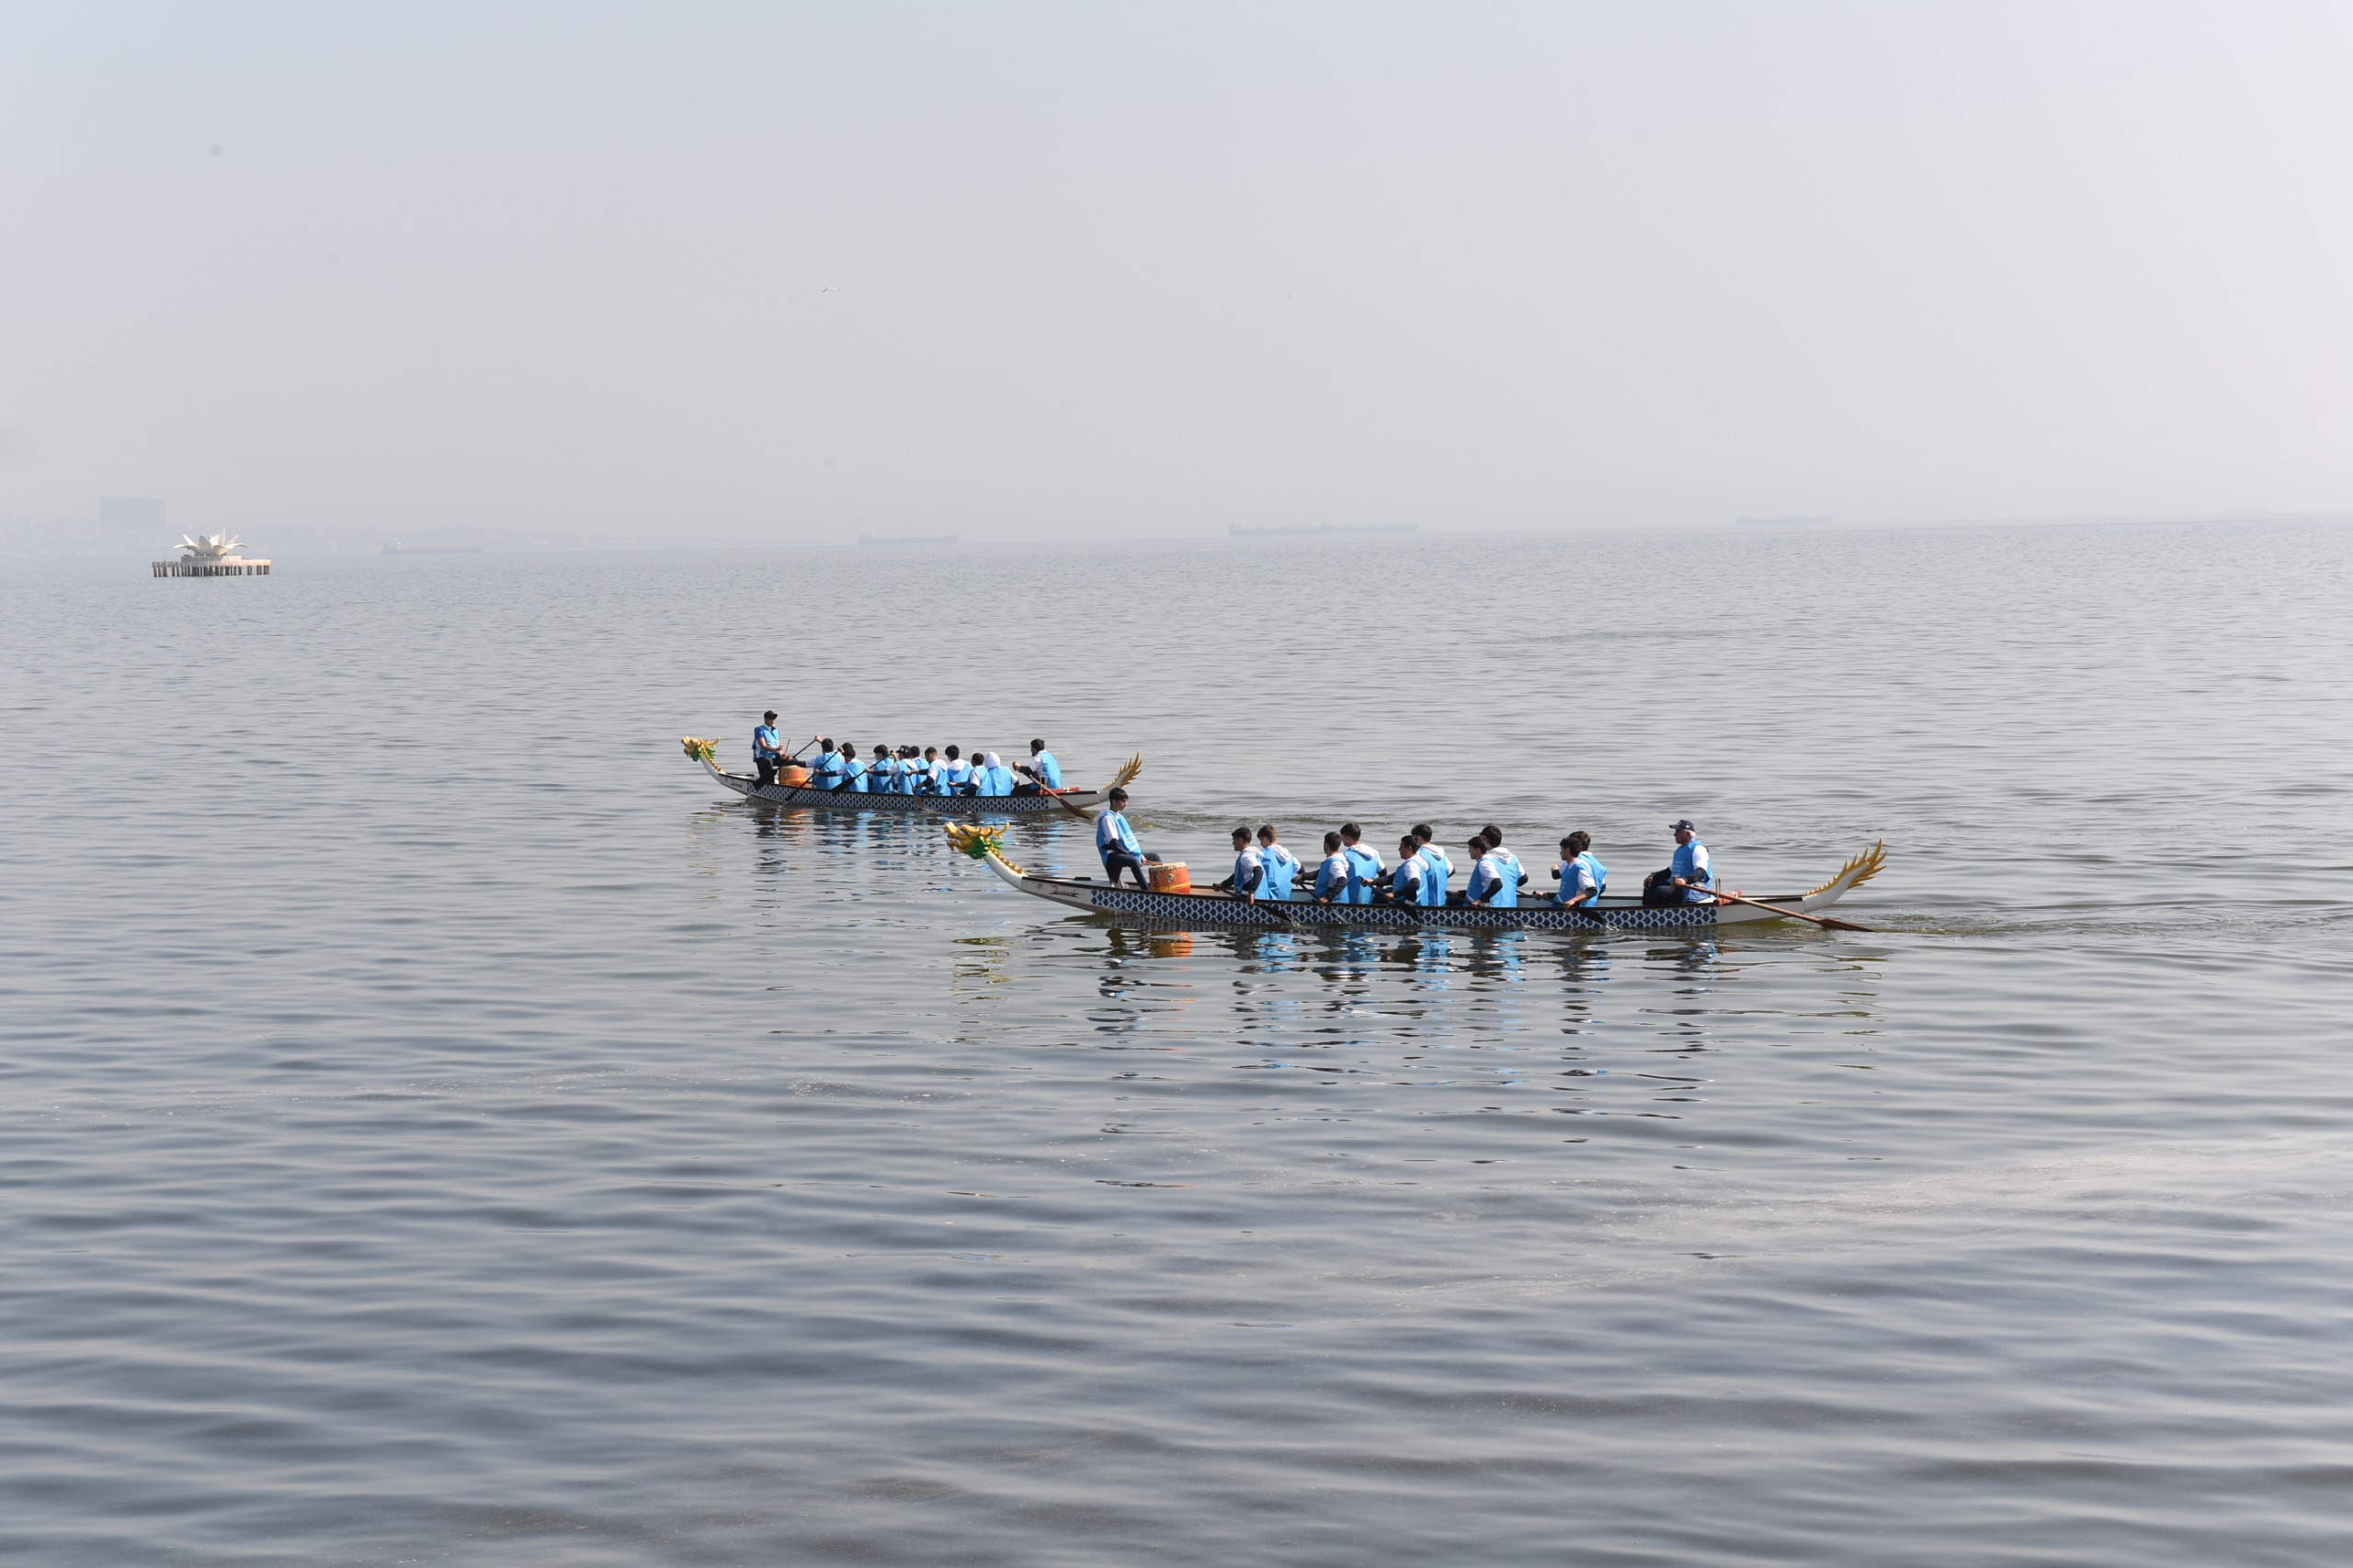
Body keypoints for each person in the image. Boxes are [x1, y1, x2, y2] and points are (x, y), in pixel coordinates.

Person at [1096, 787, 1157, 887]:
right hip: (1111, 855)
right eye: (1123, 801)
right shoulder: (1107, 818)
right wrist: (1133, 856)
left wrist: (1138, 854)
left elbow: (1128, 842)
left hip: (1121, 852)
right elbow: (1114, 844)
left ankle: (1159, 887)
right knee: (1133, 861)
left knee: (1154, 857)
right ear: (1114, 801)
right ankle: (1146, 891)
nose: (1126, 804)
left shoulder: (1120, 817)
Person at [1552, 832, 1606, 907]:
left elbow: (1556, 875)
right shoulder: (1598, 864)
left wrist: (1554, 869)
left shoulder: (1573, 861)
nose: (1560, 852)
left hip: (1575, 906)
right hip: (1591, 904)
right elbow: (1603, 887)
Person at [1668, 818, 1716, 903]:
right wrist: (1653, 876)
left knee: (1660, 891)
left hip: (1697, 890)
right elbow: (1670, 870)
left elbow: (1701, 871)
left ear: (1687, 834)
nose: (1674, 835)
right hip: (1680, 887)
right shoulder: (1680, 850)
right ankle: (1648, 908)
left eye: (1678, 832)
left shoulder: (1698, 848)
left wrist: (1685, 879)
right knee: (1652, 884)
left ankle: (1664, 910)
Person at [1211, 827, 1263, 900]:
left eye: (1234, 840)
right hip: (1258, 895)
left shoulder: (1246, 857)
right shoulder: (1252, 853)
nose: (1233, 843)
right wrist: (1222, 885)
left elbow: (1259, 871)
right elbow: (1238, 875)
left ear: (1240, 840)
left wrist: (1251, 892)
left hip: (1247, 898)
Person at [1338, 823, 1382, 905]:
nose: (1341, 839)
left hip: (1348, 903)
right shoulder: (1374, 852)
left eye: (1342, 836)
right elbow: (1383, 872)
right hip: (1366, 900)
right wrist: (1378, 889)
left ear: (1348, 838)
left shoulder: (1344, 855)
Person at [1481, 824, 1529, 894]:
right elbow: (1524, 879)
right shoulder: (1513, 857)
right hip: (1510, 899)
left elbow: (1496, 884)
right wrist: (1508, 886)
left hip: (1491, 900)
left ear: (1485, 840)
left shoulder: (1486, 860)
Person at [1378, 835, 1424, 905]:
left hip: (1411, 903)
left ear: (1409, 848)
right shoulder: (1419, 861)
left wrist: (1394, 894)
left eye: (1401, 846)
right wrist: (1372, 881)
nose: (1399, 849)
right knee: (1384, 892)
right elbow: (1390, 879)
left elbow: (1415, 884)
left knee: (1380, 899)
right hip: (1418, 901)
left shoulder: (1411, 865)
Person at [1413, 824, 1451, 908]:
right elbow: (1451, 870)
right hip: (1441, 901)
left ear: (1419, 838)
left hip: (1426, 904)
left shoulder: (1419, 854)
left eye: (1413, 838)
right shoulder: (1442, 854)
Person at [1256, 825, 1298, 901]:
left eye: (1260, 840)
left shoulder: (1262, 854)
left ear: (1264, 839)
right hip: (1285, 897)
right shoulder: (1289, 855)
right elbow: (1300, 868)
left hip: (1268, 899)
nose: (1260, 844)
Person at [1313, 832, 1350, 903]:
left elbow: (1343, 881)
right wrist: (1303, 876)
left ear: (1326, 845)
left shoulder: (1335, 863)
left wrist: (1327, 898)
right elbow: (1321, 872)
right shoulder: (1337, 860)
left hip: (1332, 905)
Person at [752, 711, 783, 787]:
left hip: (774, 757)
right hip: (762, 758)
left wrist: (782, 755)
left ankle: (785, 782)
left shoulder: (777, 731)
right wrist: (776, 749)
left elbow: (780, 748)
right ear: (765, 719)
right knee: (768, 761)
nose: (773, 721)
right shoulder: (759, 730)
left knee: (790, 760)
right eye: (770, 719)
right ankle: (771, 784)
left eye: (774, 719)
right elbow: (764, 746)